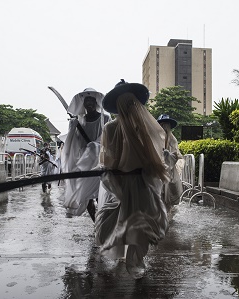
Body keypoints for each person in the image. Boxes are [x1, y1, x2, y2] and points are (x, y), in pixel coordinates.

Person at [95, 79, 169, 279]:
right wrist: (109, 171)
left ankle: (135, 260)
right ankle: (130, 257)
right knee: (124, 220)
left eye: (130, 103)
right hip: (122, 184)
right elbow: (107, 160)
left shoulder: (147, 128)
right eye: (124, 104)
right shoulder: (110, 128)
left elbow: (155, 156)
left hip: (143, 182)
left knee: (142, 224)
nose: (128, 108)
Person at [62, 88, 111, 221]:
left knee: (100, 193)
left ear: (96, 103)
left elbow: (109, 139)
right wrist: (73, 127)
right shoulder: (78, 121)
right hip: (84, 162)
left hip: (100, 161)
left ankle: (103, 221)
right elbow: (74, 143)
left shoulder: (105, 118)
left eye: (92, 100)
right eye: (86, 101)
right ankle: (96, 222)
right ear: (83, 104)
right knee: (86, 195)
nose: (89, 103)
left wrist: (95, 145)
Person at [157, 114, 184, 216]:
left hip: (170, 171)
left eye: (166, 125)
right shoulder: (156, 138)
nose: (164, 127)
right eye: (162, 124)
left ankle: (167, 215)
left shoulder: (172, 140)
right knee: (159, 194)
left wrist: (168, 156)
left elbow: (176, 155)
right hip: (158, 169)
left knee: (168, 195)